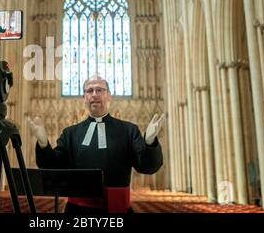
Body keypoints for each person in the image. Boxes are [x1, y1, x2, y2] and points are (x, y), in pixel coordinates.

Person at [27, 75, 164, 213]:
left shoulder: (128, 130)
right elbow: (54, 167)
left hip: (117, 209)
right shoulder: (70, 134)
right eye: (89, 90)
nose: (94, 94)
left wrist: (150, 143)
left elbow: (147, 167)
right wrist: (43, 145)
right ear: (84, 98)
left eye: (99, 90)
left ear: (108, 95)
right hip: (78, 211)